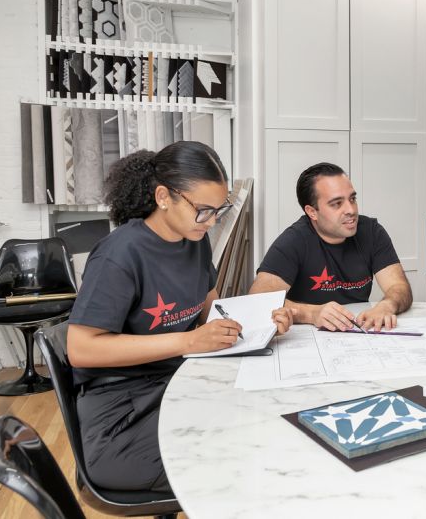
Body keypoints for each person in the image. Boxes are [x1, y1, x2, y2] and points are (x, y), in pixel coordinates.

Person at [67, 141, 294, 492]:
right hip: (121, 416)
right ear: (163, 197)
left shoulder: (195, 240)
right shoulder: (119, 255)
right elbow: (81, 349)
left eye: (219, 209)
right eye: (204, 210)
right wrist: (187, 341)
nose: (213, 220)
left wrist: (261, 325)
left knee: (270, 424)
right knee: (247, 457)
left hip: (174, 386)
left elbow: (211, 313)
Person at [250, 162, 413, 332]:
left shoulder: (372, 232)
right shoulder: (294, 240)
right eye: (337, 204)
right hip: (308, 338)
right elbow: (259, 299)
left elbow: (399, 287)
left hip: (357, 332)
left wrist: (386, 306)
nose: (351, 210)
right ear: (312, 212)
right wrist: (312, 313)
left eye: (352, 199)